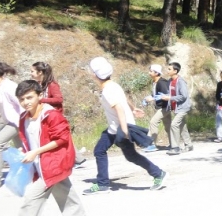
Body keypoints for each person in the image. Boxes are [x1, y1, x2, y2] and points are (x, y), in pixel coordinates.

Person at [0, 80, 93, 216]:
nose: (26, 102)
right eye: (22, 99)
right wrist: (26, 152)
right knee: (65, 194)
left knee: (31, 200)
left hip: (53, 164)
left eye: (30, 97)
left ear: (40, 96)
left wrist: (35, 152)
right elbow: (30, 140)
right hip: (42, 165)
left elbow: (62, 139)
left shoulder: (51, 115)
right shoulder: (24, 118)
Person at [83, 57, 167, 194]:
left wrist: (125, 131)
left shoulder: (107, 90)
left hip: (121, 128)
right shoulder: (113, 85)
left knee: (127, 155)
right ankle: (103, 183)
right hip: (116, 127)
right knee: (103, 151)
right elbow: (124, 99)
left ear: (94, 75)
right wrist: (133, 109)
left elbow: (119, 109)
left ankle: (158, 173)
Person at [28, 62, 88, 167]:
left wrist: (42, 100)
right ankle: (77, 159)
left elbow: (59, 99)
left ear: (40, 72)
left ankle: (75, 159)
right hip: (46, 116)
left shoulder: (52, 84)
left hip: (55, 116)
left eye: (32, 71)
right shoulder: (39, 84)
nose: (31, 73)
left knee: (61, 139)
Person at [0, 62, 22, 191]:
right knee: (23, 148)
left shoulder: (9, 87)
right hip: (12, 122)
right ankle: (35, 171)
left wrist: (27, 122)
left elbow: (22, 103)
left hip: (17, 122)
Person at [166, 62, 193, 156]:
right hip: (176, 108)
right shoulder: (170, 81)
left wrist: (170, 98)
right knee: (182, 126)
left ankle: (175, 147)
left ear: (175, 71)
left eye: (169, 69)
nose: (167, 71)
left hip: (183, 107)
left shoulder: (180, 81)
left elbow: (184, 96)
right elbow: (170, 94)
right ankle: (189, 145)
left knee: (174, 124)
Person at [143, 64, 171, 152]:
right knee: (168, 126)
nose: (149, 73)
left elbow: (166, 95)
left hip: (164, 107)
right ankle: (174, 143)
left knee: (153, 122)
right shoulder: (155, 82)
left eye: (151, 71)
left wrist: (153, 98)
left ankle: (152, 144)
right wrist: (149, 98)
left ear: (156, 73)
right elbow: (156, 94)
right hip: (161, 107)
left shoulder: (162, 83)